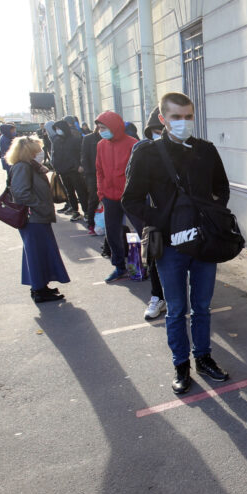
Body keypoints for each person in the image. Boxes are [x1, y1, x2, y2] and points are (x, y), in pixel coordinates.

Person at [122, 92, 231, 394]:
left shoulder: (205, 150)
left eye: (188, 117)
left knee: (202, 307)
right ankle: (181, 364)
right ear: (163, 119)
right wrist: (161, 223)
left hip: (204, 244)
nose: (183, 123)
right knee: (175, 309)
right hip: (170, 247)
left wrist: (211, 215)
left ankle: (203, 357)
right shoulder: (147, 153)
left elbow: (221, 188)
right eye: (176, 117)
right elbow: (130, 199)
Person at [6, 136, 70, 303]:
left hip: (36, 217)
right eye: (37, 151)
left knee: (41, 253)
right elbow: (21, 193)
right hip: (33, 218)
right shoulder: (23, 167)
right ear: (29, 153)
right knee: (36, 254)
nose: (40, 153)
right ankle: (38, 289)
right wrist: (41, 206)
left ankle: (41, 286)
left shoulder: (29, 166)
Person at [127, 106, 167, 320]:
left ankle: (174, 296)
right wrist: (148, 218)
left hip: (179, 218)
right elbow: (131, 193)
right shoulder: (143, 150)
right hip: (152, 217)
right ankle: (157, 297)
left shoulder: (186, 147)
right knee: (155, 255)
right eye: (158, 129)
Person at [95, 110, 137, 282]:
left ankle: (147, 265)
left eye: (103, 127)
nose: (101, 131)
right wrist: (101, 192)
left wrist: (135, 193)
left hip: (131, 197)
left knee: (142, 231)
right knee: (112, 233)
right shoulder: (101, 145)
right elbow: (99, 170)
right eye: (99, 128)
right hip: (109, 197)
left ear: (114, 126)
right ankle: (119, 267)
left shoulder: (133, 143)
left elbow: (138, 172)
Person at [51, 119, 87, 222]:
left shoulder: (75, 139)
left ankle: (86, 211)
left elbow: (81, 153)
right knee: (69, 192)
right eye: (56, 129)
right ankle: (75, 211)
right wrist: (55, 166)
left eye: (59, 128)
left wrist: (80, 165)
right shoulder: (56, 140)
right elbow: (55, 154)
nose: (58, 130)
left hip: (74, 170)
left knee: (81, 191)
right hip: (62, 171)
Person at [81, 124, 102, 235]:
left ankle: (105, 224)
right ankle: (91, 224)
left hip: (108, 174)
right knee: (94, 198)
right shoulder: (88, 138)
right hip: (93, 175)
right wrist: (89, 174)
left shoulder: (111, 138)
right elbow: (84, 157)